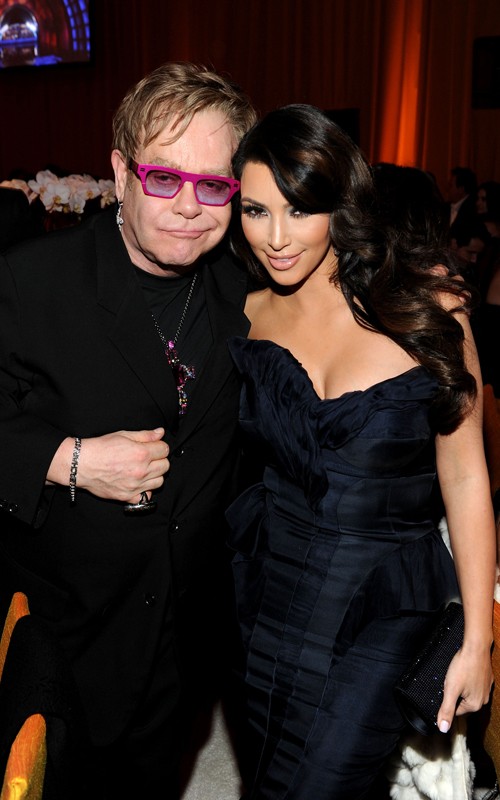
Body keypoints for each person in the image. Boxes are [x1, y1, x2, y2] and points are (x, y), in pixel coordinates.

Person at [0, 61, 256, 797]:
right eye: (164, 178)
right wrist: (68, 459)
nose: (189, 207)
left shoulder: (247, 290)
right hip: (65, 632)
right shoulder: (32, 279)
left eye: (213, 185)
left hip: (187, 638)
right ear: (120, 172)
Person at [225, 105, 496, 799]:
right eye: (255, 211)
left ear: (340, 201)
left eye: (298, 209)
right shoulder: (245, 313)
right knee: (269, 775)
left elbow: (466, 476)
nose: (276, 237)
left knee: (323, 781)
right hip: (264, 594)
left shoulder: (427, 306)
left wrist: (478, 637)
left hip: (384, 603)